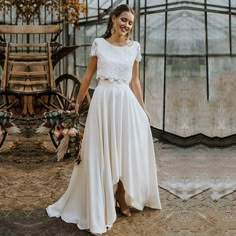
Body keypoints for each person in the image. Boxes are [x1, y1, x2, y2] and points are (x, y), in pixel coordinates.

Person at [46, 4, 161, 235]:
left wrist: (143, 108)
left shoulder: (134, 48)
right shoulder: (99, 44)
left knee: (124, 149)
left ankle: (121, 192)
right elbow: (88, 76)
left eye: (130, 22)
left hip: (125, 103)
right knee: (101, 152)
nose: (127, 25)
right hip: (103, 102)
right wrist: (78, 101)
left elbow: (135, 82)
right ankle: (104, 198)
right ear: (114, 18)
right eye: (124, 20)